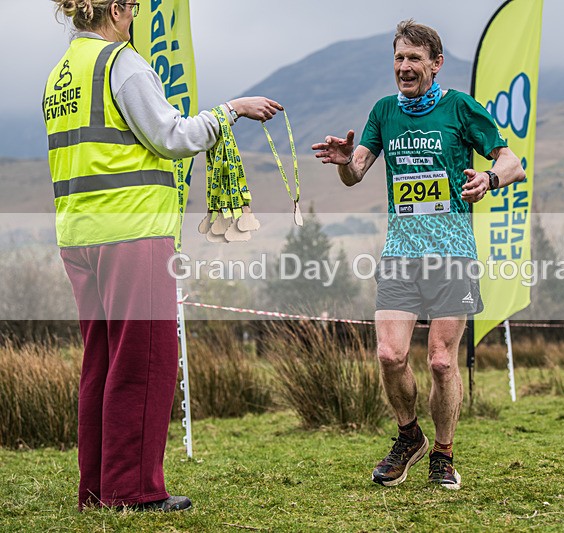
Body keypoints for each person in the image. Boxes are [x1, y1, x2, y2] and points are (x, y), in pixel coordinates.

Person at [46, 0, 282, 511]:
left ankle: (97, 489)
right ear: (113, 9)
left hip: (78, 234)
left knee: (102, 362)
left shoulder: (60, 74)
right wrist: (230, 111)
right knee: (146, 359)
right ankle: (132, 491)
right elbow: (173, 137)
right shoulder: (121, 63)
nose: (134, 16)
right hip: (132, 232)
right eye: (130, 7)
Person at [312, 19, 525, 490]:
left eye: (413, 58)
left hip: (452, 252)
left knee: (441, 362)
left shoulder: (460, 108)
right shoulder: (384, 111)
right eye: (398, 58)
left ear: (436, 63)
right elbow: (358, 171)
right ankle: (410, 438)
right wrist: (346, 160)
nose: (404, 67)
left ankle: (444, 455)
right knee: (390, 354)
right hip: (401, 254)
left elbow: (513, 162)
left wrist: (489, 179)